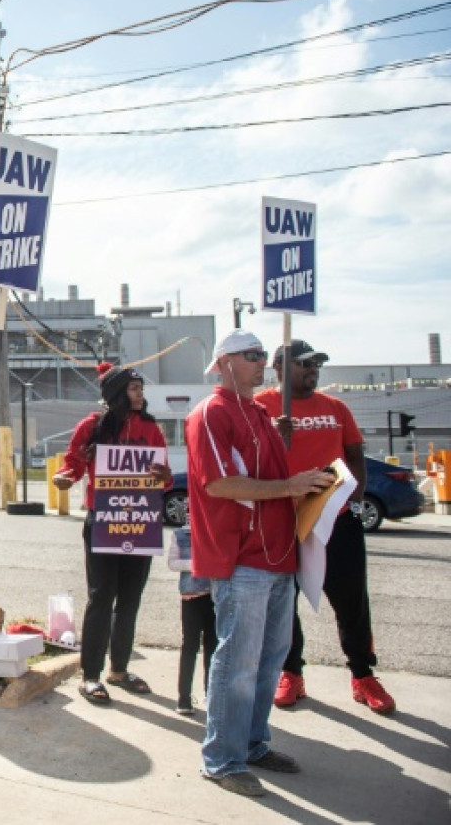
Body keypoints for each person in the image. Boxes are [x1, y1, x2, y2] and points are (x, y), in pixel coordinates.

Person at [185, 329, 333, 798]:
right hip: (242, 556)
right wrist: (292, 486)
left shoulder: (262, 413)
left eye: (263, 355)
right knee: (239, 661)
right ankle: (221, 758)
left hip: (279, 555)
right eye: (252, 355)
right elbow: (219, 485)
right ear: (225, 361)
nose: (261, 361)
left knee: (268, 661)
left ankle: (250, 743)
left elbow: (265, 476)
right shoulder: (211, 412)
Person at [256, 340, 395, 715]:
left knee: (351, 600)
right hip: (282, 520)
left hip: (335, 520)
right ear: (280, 367)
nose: (313, 370)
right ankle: (291, 672)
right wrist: (276, 435)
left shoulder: (336, 407)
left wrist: (352, 500)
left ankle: (363, 675)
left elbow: (354, 455)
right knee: (284, 601)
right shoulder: (261, 408)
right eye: (305, 364)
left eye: (317, 364)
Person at [53, 363, 172, 705]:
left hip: (141, 521)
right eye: (135, 389)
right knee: (101, 597)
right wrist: (64, 477)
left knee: (131, 599)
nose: (140, 395)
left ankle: (119, 670)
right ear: (118, 392)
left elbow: (163, 479)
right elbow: (72, 464)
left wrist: (164, 475)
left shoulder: (151, 429)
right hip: (103, 519)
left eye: (141, 389)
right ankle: (90, 675)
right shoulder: (91, 426)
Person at [167, 524, 216, 716]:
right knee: (189, 646)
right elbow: (172, 563)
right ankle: (184, 697)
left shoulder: (215, 530)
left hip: (214, 596)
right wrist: (198, 564)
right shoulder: (180, 535)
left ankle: (210, 695)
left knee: (213, 647)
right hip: (190, 597)